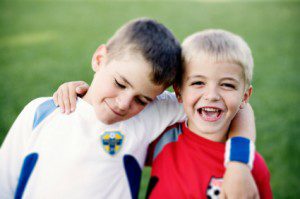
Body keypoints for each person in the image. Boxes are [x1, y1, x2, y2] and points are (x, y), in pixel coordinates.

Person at [0, 18, 256, 199]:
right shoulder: (42, 112)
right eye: (119, 83)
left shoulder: (151, 113)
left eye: (142, 99)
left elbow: (238, 107)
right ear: (100, 59)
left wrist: (238, 163)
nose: (124, 104)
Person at [145, 29, 272, 198]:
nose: (211, 95)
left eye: (227, 85)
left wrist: (239, 163)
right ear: (179, 91)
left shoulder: (251, 167)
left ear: (245, 96)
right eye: (198, 82)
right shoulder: (160, 135)